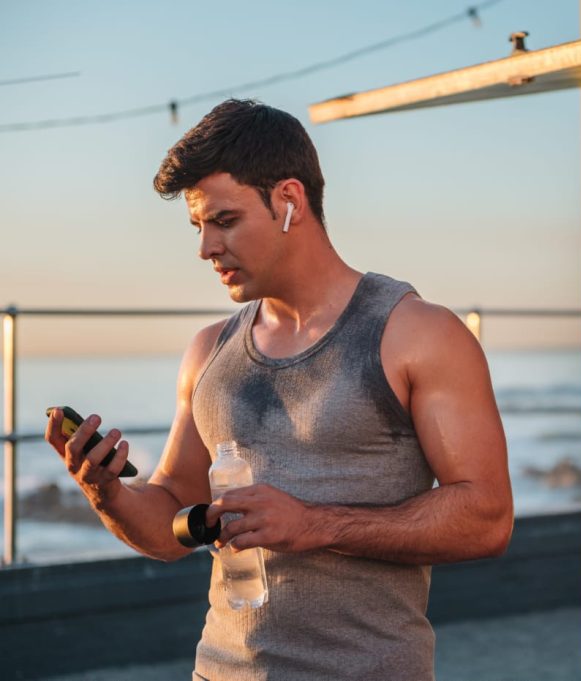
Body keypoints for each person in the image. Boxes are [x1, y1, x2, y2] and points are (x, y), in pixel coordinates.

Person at [44, 99, 514, 681]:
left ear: (289, 200)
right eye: (198, 227)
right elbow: (169, 526)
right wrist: (106, 492)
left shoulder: (417, 334)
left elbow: (486, 518)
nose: (205, 247)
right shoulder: (208, 351)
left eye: (225, 220)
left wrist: (316, 525)